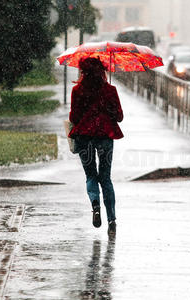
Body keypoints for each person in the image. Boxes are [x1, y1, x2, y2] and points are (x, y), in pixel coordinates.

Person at [68, 57, 124, 236]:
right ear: (102, 71)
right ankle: (112, 220)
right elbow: (120, 117)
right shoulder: (110, 90)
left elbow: (74, 118)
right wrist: (109, 105)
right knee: (105, 178)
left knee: (91, 175)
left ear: (83, 72)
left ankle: (95, 206)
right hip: (105, 136)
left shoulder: (77, 91)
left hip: (84, 136)